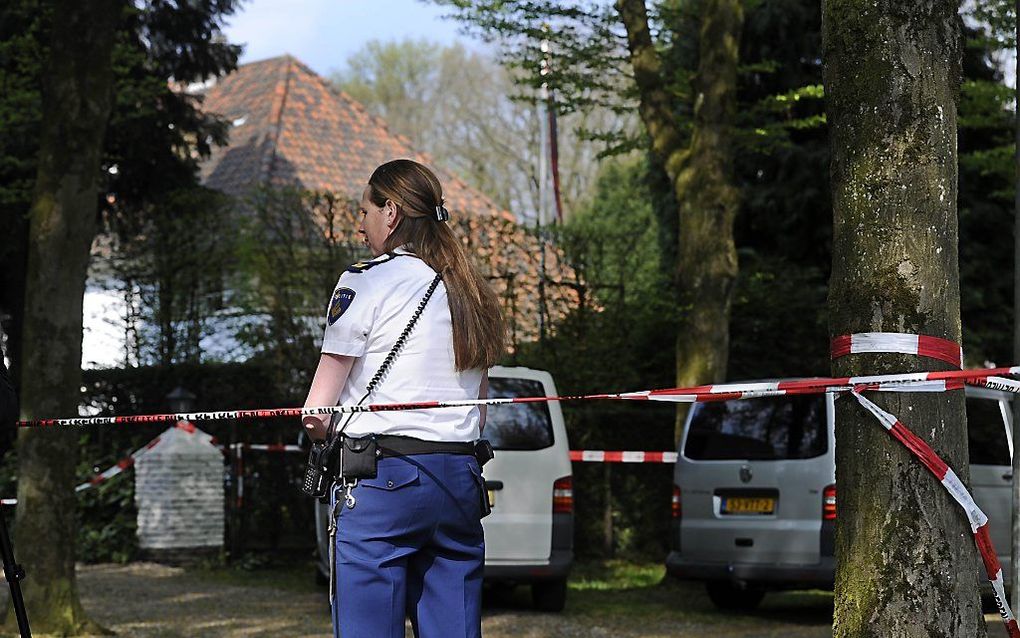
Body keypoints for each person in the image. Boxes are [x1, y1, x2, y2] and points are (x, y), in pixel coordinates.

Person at [302, 159, 506, 638]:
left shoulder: (366, 279)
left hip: (382, 481)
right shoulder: (471, 291)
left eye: (366, 212)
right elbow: (478, 412)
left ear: (390, 213)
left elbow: (317, 411)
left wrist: (322, 431)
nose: (360, 223)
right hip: (458, 480)